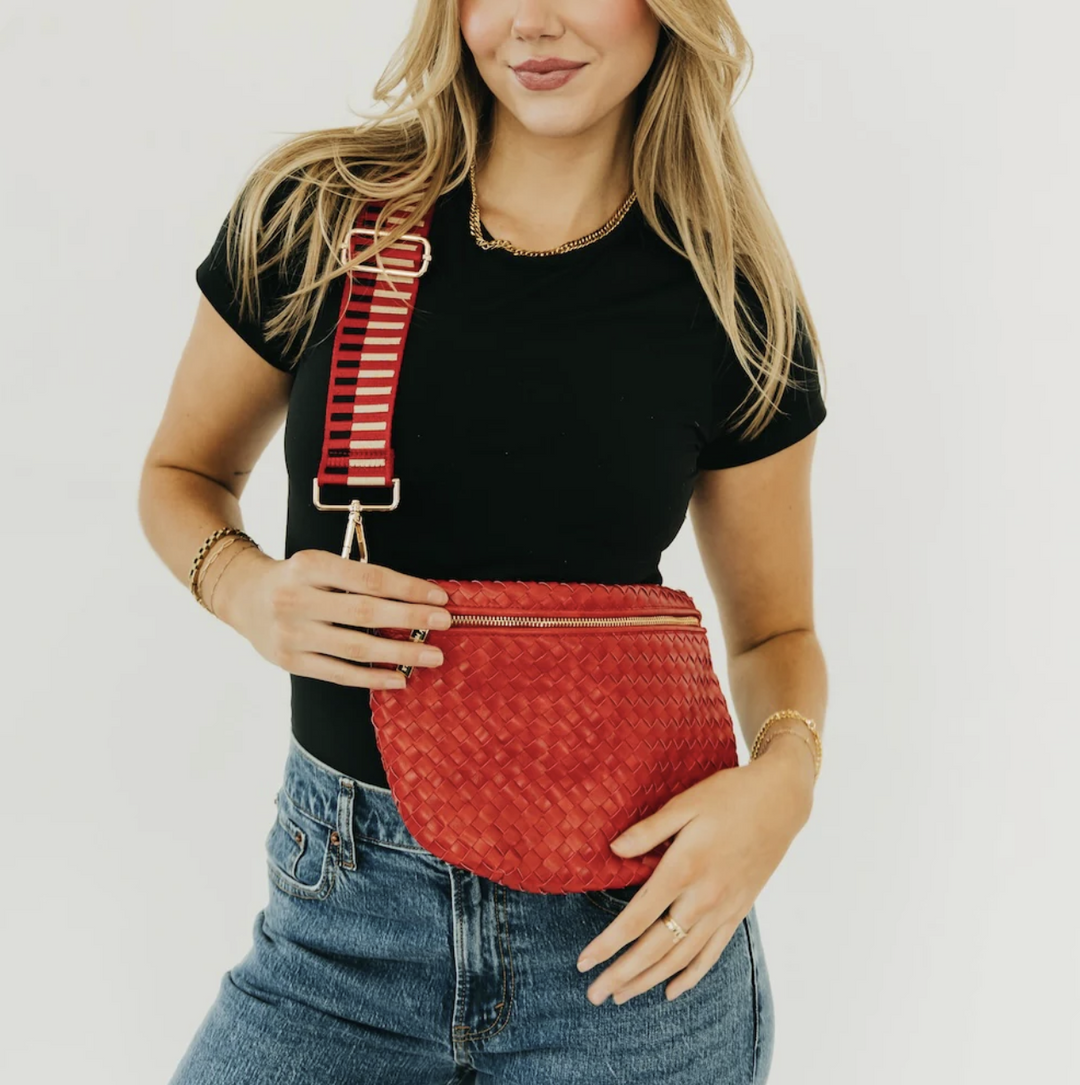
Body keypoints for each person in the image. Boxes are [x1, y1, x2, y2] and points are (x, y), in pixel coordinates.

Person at [141, 2, 829, 1082]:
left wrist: (783, 782)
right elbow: (179, 476)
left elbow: (776, 631)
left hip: (631, 940)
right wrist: (245, 590)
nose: (533, 21)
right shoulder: (323, 217)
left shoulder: (728, 300)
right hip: (340, 923)